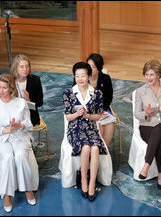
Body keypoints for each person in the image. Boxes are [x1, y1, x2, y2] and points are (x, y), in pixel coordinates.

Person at [0, 73, 37, 213]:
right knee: (8, 157)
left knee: (20, 155)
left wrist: (19, 126)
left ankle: (28, 189)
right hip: (0, 138)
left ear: (11, 89)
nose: (1, 91)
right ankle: (6, 195)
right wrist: (5, 130)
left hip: (19, 136)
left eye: (4, 87)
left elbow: (29, 124)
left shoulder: (21, 103)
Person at [62, 62, 107, 201]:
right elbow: (68, 116)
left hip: (91, 127)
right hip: (75, 127)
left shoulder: (97, 93)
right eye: (77, 76)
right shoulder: (68, 93)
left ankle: (92, 183)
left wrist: (88, 115)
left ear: (89, 76)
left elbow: (99, 116)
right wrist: (77, 114)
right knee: (86, 147)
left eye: (83, 75)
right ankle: (83, 182)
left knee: (95, 148)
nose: (80, 78)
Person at [135, 59, 161, 190]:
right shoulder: (140, 92)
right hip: (146, 126)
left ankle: (146, 165)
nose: (148, 78)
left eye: (151, 74)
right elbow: (137, 113)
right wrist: (146, 114)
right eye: (146, 74)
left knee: (158, 130)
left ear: (158, 74)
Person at [73, 53, 115, 147]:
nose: (90, 69)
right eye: (89, 66)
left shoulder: (106, 79)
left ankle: (103, 152)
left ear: (99, 68)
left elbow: (109, 98)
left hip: (102, 110)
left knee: (110, 126)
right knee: (100, 129)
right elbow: (75, 97)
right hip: (85, 111)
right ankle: (95, 152)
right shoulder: (80, 78)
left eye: (93, 66)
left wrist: (100, 110)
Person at [11, 54, 44, 126]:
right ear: (16, 68)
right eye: (22, 67)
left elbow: (40, 103)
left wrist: (28, 101)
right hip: (12, 114)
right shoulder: (10, 80)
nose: (25, 69)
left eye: (27, 66)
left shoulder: (35, 80)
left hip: (29, 116)